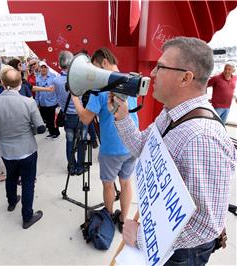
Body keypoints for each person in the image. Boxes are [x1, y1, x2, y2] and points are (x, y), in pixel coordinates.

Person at [112, 37, 236, 265]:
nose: (152, 74)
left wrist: (141, 238)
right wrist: (121, 115)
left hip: (182, 255)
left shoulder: (202, 137)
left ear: (185, 77)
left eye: (161, 67)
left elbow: (206, 225)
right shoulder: (171, 113)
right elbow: (141, 147)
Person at [71, 47, 138, 233]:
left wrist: (75, 98)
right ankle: (123, 221)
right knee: (126, 182)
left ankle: (107, 219)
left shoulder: (100, 89)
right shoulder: (131, 79)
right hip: (132, 143)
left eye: (95, 68)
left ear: (104, 63)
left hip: (112, 148)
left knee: (108, 184)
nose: (94, 73)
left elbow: (85, 119)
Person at [0, 66, 45, 229]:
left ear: (2, 83)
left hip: (6, 150)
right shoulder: (29, 102)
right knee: (28, 182)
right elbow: (41, 128)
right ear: (20, 83)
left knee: (11, 176)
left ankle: (11, 202)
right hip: (27, 149)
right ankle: (27, 216)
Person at [52, 50, 86, 175]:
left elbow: (57, 98)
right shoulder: (81, 78)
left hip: (67, 115)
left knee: (70, 141)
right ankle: (80, 167)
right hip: (81, 114)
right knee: (82, 141)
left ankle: (71, 167)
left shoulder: (56, 80)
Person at [35, 61, 59, 139]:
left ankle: (56, 132)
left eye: (45, 67)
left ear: (47, 68)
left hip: (52, 102)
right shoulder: (38, 78)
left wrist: (59, 101)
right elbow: (37, 91)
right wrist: (37, 102)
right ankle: (51, 132)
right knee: (47, 119)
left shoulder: (53, 77)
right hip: (43, 103)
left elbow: (57, 89)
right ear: (39, 68)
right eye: (41, 67)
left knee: (53, 119)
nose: (43, 69)